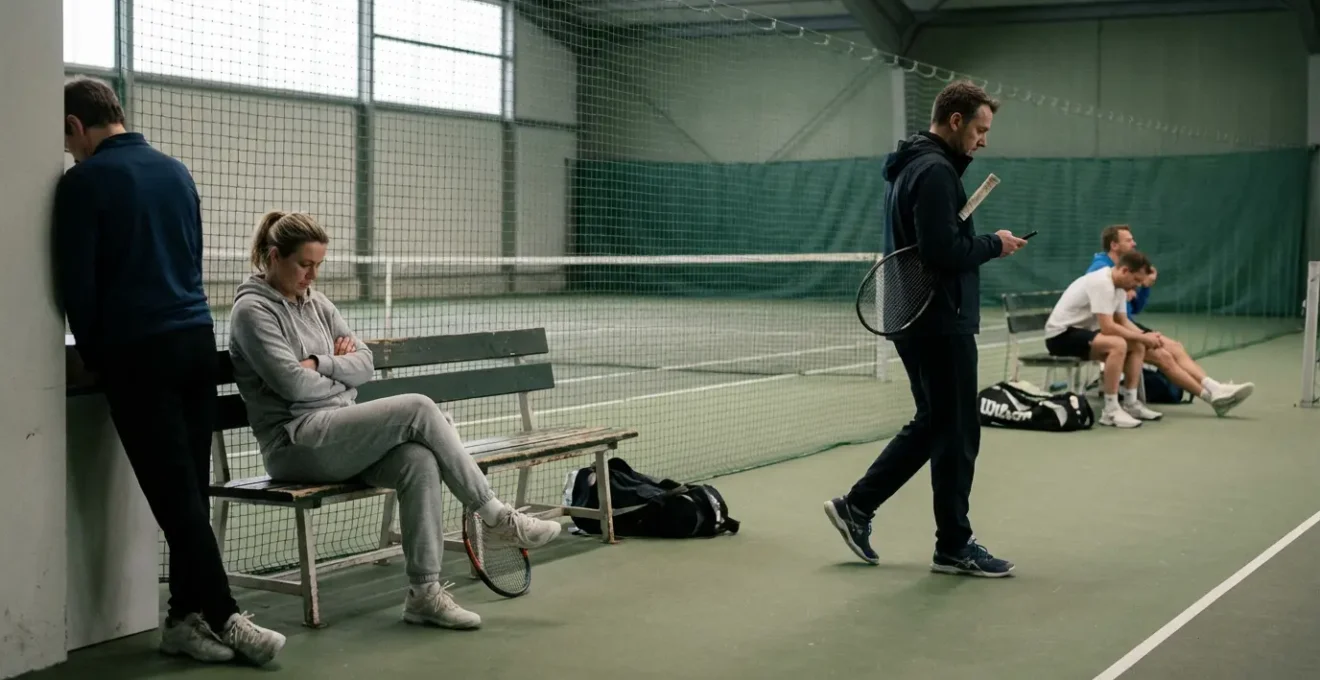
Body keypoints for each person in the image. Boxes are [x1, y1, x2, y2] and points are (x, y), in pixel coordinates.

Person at [227, 210, 563, 630]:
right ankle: (497, 517)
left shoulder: (316, 303)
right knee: (418, 407)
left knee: (417, 461)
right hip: (294, 444)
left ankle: (424, 594)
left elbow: (364, 365)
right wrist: (339, 375)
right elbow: (293, 386)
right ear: (275, 256)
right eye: (304, 265)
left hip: (337, 432)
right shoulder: (252, 313)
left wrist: (321, 364)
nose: (312, 275)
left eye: (318, 265)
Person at [54, 77, 285, 665]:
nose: (69, 150)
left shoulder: (83, 183)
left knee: (175, 499)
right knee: (190, 494)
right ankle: (185, 620)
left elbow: (77, 289)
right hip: (193, 342)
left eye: (67, 139)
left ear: (77, 127)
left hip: (140, 354)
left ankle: (222, 614)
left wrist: (101, 360)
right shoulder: (178, 171)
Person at [823, 80, 1028, 578]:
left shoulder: (915, 166)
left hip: (918, 316)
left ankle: (857, 506)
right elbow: (942, 252)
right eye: (979, 129)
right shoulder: (934, 171)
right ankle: (954, 545)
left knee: (936, 422)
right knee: (957, 430)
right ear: (955, 121)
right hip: (938, 320)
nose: (984, 140)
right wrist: (992, 244)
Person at [1085, 224, 1253, 416]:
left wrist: (1145, 287)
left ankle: (1214, 389)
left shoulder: (1126, 271)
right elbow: (1106, 319)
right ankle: (1212, 396)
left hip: (1127, 324)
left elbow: (1135, 308)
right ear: (1114, 245)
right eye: (1128, 240)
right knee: (1163, 356)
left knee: (1174, 347)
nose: (1134, 243)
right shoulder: (1102, 270)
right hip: (1107, 330)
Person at [1044, 251, 1166, 428]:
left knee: (1137, 345)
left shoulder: (1121, 288)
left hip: (1082, 333)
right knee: (1117, 345)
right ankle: (1110, 411)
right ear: (1125, 271)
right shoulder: (1102, 282)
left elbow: (1123, 321)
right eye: (1136, 280)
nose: (1137, 286)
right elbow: (1108, 327)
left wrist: (1146, 337)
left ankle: (1131, 404)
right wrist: (1143, 336)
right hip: (1060, 337)